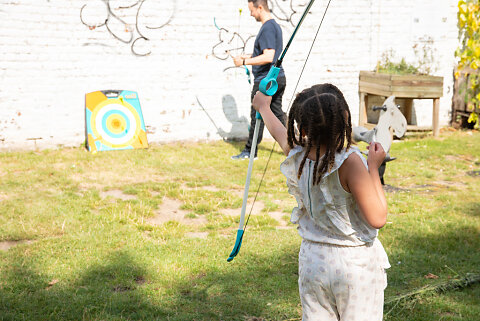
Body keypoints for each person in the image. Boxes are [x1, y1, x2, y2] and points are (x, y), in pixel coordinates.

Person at [252, 84, 390, 321]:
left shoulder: (299, 154)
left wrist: (264, 107)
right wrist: (374, 168)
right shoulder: (351, 162)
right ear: (344, 118)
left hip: (313, 261)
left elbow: (278, 132)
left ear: (302, 127)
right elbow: (378, 218)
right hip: (353, 267)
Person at [231, 0, 287, 160]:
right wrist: (247, 56)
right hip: (277, 78)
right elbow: (270, 54)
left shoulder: (268, 27)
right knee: (277, 114)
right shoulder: (275, 26)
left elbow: (269, 56)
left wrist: (243, 62)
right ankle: (297, 144)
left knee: (257, 115)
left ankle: (250, 151)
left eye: (252, 10)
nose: (250, 14)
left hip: (266, 80)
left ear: (260, 7)